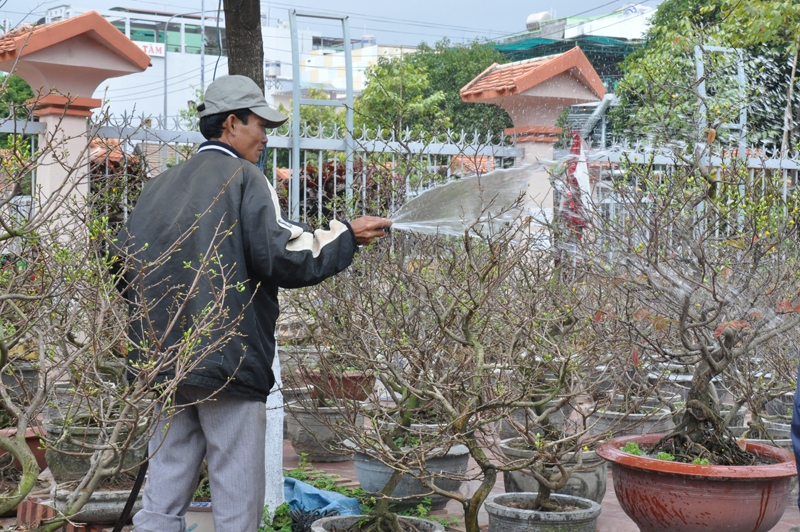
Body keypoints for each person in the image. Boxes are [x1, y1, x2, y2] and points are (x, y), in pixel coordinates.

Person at [120, 75, 392, 532]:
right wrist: (348, 233)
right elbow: (283, 256)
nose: (266, 137)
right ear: (231, 123)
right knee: (236, 490)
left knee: (163, 486)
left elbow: (125, 264)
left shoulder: (159, 185)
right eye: (260, 124)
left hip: (162, 360)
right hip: (226, 360)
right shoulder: (245, 178)